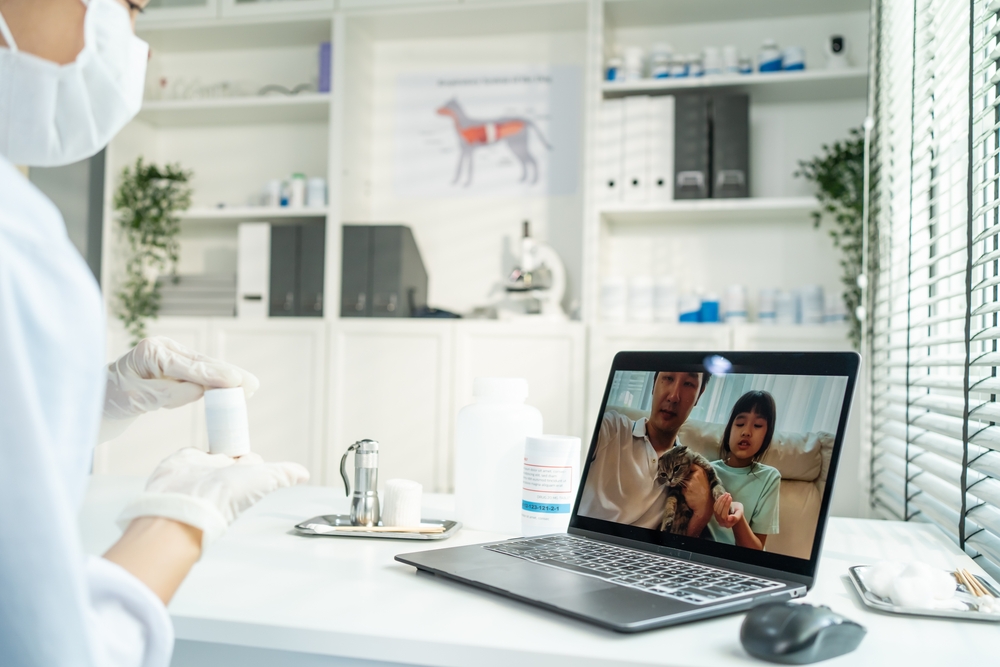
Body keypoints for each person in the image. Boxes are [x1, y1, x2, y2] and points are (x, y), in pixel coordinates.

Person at [0, 1, 308, 665]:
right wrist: (176, 520)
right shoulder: (15, 244)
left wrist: (100, 400)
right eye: (130, 7)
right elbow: (55, 653)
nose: (134, 42)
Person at [579, 371, 714, 534]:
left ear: (699, 394)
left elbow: (675, 553)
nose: (673, 396)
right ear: (654, 382)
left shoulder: (688, 471)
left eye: (688, 384)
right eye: (668, 378)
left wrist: (703, 515)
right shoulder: (611, 428)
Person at [708, 390, 781, 550]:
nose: (746, 432)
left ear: (767, 434)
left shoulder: (769, 478)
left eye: (757, 425)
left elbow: (756, 551)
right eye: (740, 423)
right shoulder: (707, 470)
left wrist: (738, 520)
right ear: (729, 429)